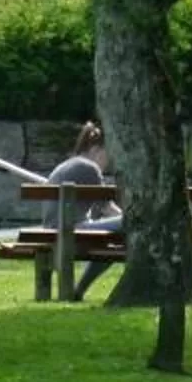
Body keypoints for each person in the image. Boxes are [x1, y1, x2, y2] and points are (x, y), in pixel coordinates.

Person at [49, 119, 118, 295]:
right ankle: (79, 289)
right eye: (107, 155)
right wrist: (132, 217)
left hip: (53, 229)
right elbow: (107, 208)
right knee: (130, 222)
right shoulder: (90, 168)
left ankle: (78, 291)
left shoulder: (67, 164)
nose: (108, 162)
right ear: (95, 149)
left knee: (109, 247)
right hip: (71, 230)